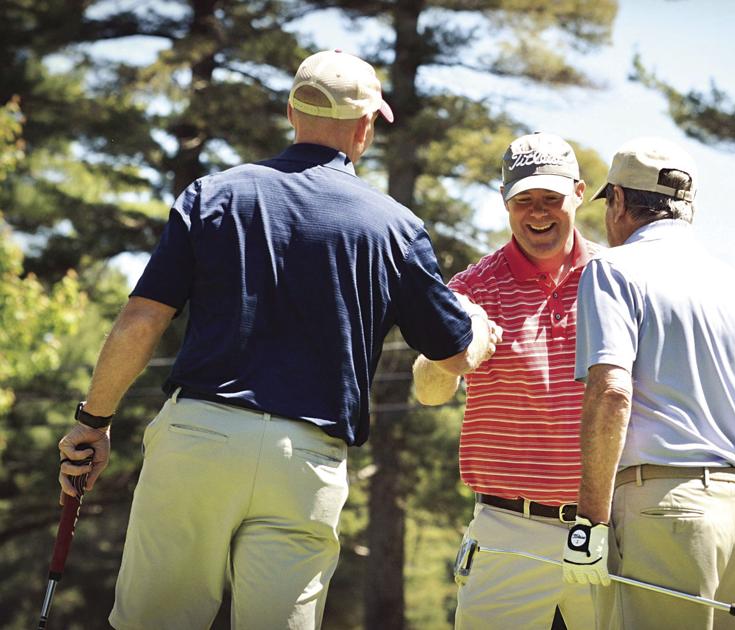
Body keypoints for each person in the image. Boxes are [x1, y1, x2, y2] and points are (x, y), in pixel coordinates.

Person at [56, 49, 499, 630]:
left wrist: (94, 421)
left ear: (293, 111)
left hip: (199, 437)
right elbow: (455, 353)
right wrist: (479, 326)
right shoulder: (395, 227)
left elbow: (141, 320)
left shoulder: (211, 195)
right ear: (366, 126)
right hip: (306, 461)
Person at [561, 137, 735, 629]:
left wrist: (590, 525)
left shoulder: (612, 269)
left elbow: (613, 391)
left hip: (665, 511)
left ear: (617, 201)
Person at [413, 132, 600, 629]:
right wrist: (452, 351)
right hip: (508, 530)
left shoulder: (616, 278)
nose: (538, 212)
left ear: (579, 194)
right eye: (524, 200)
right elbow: (429, 393)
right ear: (504, 201)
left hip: (607, 524)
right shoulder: (471, 289)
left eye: (551, 199)